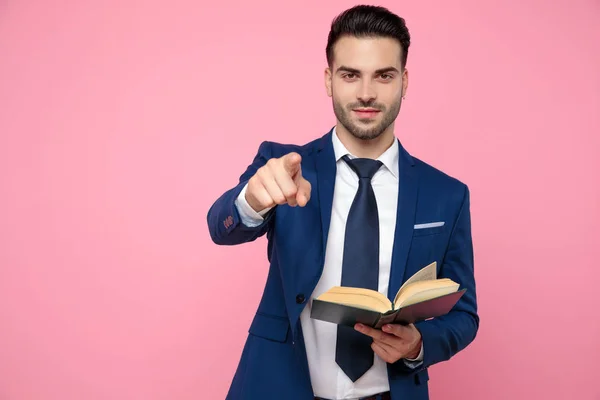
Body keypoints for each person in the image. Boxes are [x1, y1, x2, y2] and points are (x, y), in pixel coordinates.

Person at [207, 5, 479, 400]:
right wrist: (252, 197)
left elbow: (465, 315)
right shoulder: (285, 166)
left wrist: (418, 345)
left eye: (383, 76)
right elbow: (220, 226)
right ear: (329, 80)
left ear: (403, 81)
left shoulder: (447, 194)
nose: (366, 93)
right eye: (350, 75)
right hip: (279, 388)